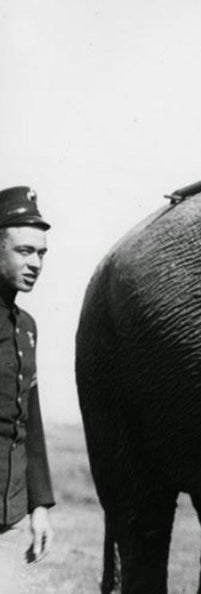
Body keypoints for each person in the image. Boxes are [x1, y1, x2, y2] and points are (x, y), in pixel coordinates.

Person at [0, 186, 55, 589]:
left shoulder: (27, 327)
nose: (35, 262)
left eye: (41, 253)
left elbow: (29, 425)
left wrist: (39, 506)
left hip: (11, 513)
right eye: (24, 251)